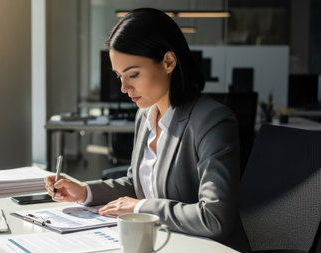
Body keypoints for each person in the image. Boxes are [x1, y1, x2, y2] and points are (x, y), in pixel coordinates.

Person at [45, 8, 249, 251]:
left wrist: (140, 208)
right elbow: (137, 183)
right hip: (161, 241)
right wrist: (84, 191)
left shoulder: (212, 121)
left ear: (168, 62)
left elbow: (214, 217)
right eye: (119, 75)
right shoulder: (146, 114)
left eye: (133, 74)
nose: (123, 87)